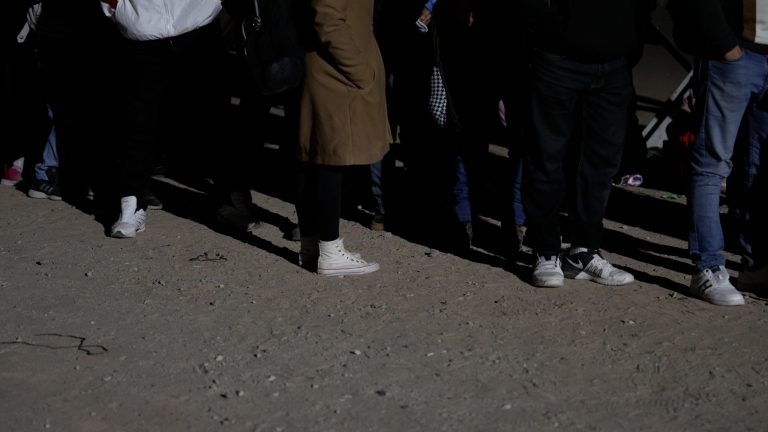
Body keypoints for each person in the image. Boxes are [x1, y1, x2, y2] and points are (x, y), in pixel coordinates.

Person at [100, 0, 258, 238]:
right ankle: (132, 203)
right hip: (142, 31)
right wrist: (119, 8)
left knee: (215, 117)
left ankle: (232, 199)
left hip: (199, 24)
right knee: (137, 122)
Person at [522, 0, 638, 288]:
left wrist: (628, 40)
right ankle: (546, 250)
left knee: (601, 164)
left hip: (613, 63)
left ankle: (583, 251)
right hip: (556, 59)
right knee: (547, 156)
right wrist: (545, 34)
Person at [671, 0, 768, 304]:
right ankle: (708, 266)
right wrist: (726, 45)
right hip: (734, 55)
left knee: (758, 166)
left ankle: (755, 267)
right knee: (712, 163)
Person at [297, 0, 391, 276]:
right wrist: (360, 70)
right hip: (336, 76)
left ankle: (312, 246)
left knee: (315, 159)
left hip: (329, 71)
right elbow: (329, 19)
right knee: (329, 161)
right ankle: (329, 250)